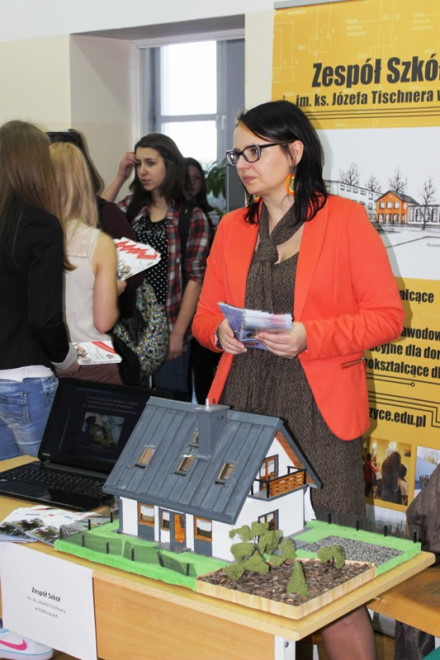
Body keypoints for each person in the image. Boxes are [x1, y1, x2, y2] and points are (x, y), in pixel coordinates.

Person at [192, 100, 405, 660]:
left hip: (320, 420)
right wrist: (220, 333)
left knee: (334, 577)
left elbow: (387, 317)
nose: (242, 164)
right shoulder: (233, 228)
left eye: (254, 151)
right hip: (242, 412)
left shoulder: (345, 219)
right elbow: (204, 318)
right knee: (247, 567)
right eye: (237, 153)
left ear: (294, 152)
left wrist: (312, 335)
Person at [103, 134, 210, 399]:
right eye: (138, 164)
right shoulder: (132, 208)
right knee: (130, 404)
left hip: (171, 322)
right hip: (130, 326)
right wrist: (120, 176)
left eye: (150, 163)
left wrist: (178, 333)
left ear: (170, 165)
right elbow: (97, 216)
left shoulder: (191, 216)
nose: (142, 171)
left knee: (169, 404)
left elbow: (195, 278)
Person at [0, 120, 78, 460]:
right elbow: (44, 318)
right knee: (47, 482)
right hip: (26, 378)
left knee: (7, 486)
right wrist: (66, 358)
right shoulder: (40, 225)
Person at [50, 141, 121, 383]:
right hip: (92, 360)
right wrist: (115, 289)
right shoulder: (98, 243)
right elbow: (103, 321)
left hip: (46, 359)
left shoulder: (28, 238)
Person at [184, 157, 221, 403]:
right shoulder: (177, 213)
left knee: (204, 364)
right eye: (188, 178)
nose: (192, 183)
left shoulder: (212, 215)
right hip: (184, 301)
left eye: (197, 178)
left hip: (207, 299)